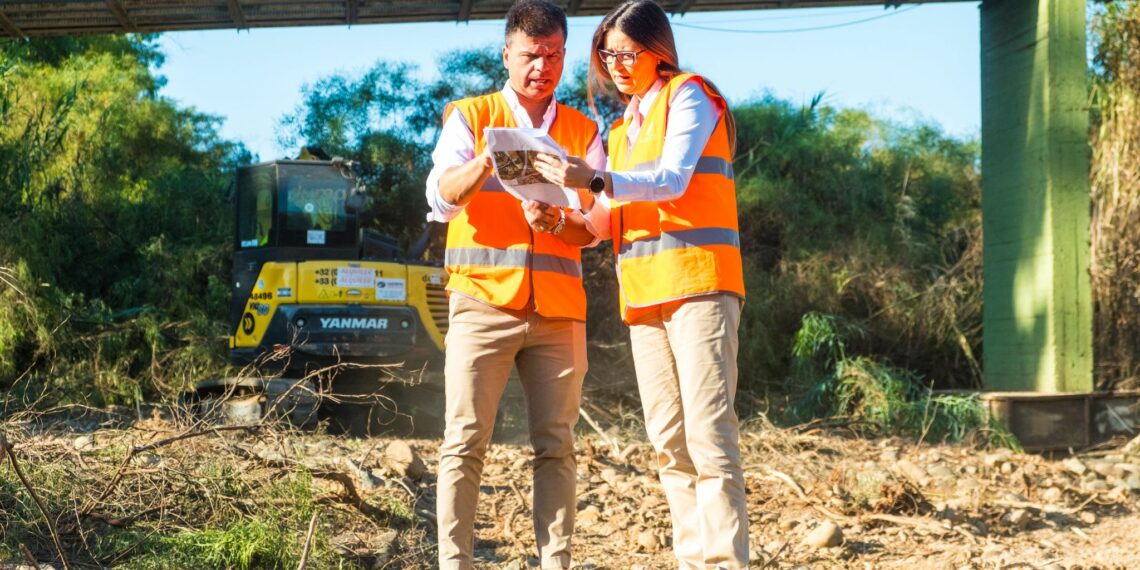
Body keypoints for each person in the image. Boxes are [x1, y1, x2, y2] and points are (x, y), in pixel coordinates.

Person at [532, 1, 749, 567]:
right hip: (645, 297)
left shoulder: (692, 96)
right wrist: (557, 217)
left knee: (709, 436)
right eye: (608, 53)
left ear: (660, 51)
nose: (617, 64)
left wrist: (597, 177)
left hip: (700, 285)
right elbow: (603, 222)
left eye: (628, 53)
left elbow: (674, 179)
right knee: (670, 446)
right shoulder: (623, 127)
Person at [423, 1, 609, 568]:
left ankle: (556, 563)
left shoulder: (583, 129)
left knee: (557, 447)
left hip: (558, 313)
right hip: (481, 302)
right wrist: (485, 162)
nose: (542, 67)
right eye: (531, 55)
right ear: (507, 55)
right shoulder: (470, 116)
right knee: (464, 441)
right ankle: (455, 563)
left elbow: (598, 227)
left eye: (553, 55)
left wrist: (557, 221)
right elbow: (438, 198)